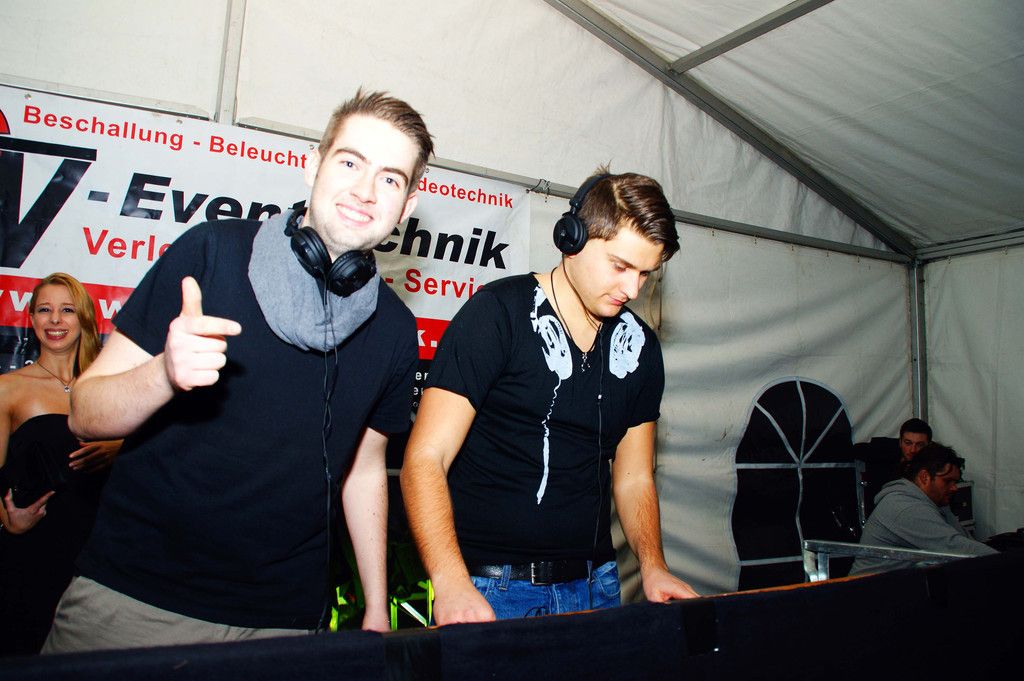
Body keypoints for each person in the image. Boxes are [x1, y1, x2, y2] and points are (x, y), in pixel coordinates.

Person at [42, 90, 433, 653]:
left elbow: (365, 468)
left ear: (408, 203)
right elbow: (83, 413)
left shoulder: (394, 327)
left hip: (284, 622)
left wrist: (375, 605)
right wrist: (164, 374)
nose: (366, 191)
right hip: (135, 602)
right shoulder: (211, 254)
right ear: (312, 166)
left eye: (390, 178)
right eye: (350, 163)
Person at [401, 169, 699, 625]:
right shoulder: (496, 315)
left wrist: (653, 566)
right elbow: (425, 458)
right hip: (493, 589)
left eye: (645, 273)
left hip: (598, 585)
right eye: (620, 266)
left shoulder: (639, 348)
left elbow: (635, 477)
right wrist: (450, 581)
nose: (632, 290)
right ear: (572, 239)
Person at [0, 273, 120, 656]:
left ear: (84, 318)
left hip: (101, 552)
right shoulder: (8, 389)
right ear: (31, 318)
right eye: (44, 310)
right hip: (34, 548)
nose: (55, 320)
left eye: (67, 310)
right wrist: (7, 519)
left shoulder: (112, 387)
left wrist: (117, 447)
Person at [849, 442, 996, 575]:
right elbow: (957, 548)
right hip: (868, 592)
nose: (954, 488)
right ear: (924, 477)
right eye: (947, 481)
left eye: (955, 482)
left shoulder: (935, 503)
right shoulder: (906, 508)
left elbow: (964, 540)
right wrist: (1005, 563)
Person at [854, 417, 932, 516]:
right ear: (900, 442)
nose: (913, 450)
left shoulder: (935, 467)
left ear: (929, 446)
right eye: (908, 443)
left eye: (920, 445)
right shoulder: (884, 454)